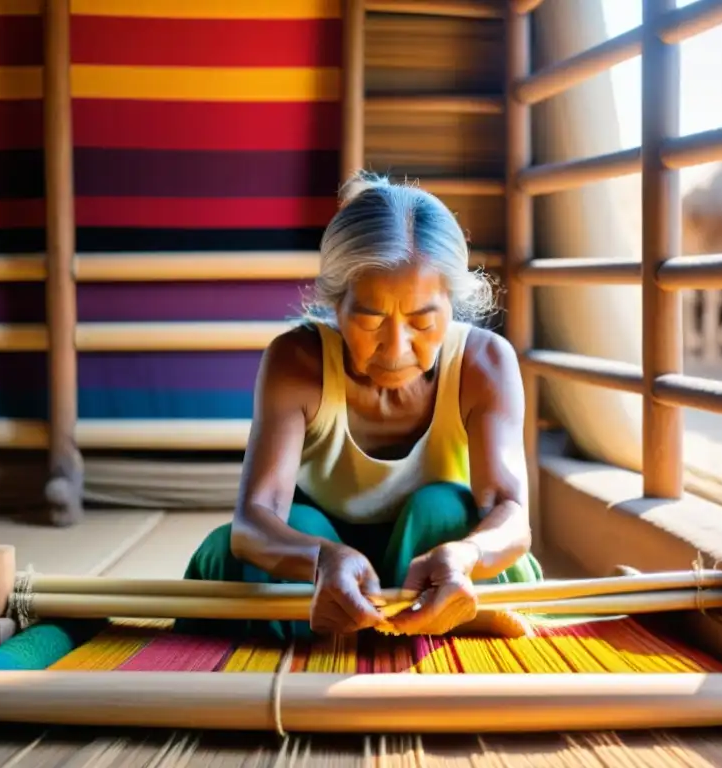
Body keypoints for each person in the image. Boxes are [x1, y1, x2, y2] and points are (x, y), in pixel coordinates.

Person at [178, 171, 543, 642]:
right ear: (335, 304)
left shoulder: (484, 362)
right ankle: (402, 625)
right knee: (266, 537)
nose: (395, 348)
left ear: (452, 305)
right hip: (316, 562)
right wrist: (322, 558)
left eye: (421, 322)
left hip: (433, 551)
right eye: (371, 320)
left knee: (444, 511)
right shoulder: (298, 360)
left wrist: (468, 555)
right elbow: (256, 520)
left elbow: (510, 514)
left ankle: (418, 612)